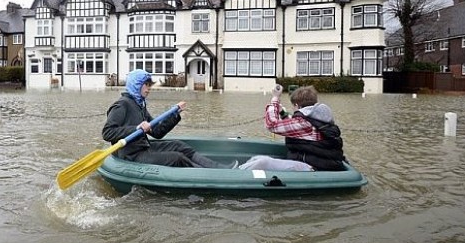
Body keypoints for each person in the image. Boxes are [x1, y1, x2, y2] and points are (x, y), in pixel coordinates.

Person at [102, 69, 237, 169]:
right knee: (176, 158)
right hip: (131, 155)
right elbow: (107, 133)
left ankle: (219, 168)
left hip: (144, 148)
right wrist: (135, 129)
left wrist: (174, 114)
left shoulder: (140, 105)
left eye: (150, 85)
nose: (149, 89)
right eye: (146, 85)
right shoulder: (122, 104)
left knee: (179, 146)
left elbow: (157, 132)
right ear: (136, 85)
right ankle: (212, 176)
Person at [239, 85, 347, 171]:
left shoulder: (305, 124)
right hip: (316, 162)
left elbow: (272, 125)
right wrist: (282, 113)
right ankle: (238, 170)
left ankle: (237, 175)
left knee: (263, 163)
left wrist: (275, 98)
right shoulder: (318, 117)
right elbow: (297, 127)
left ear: (297, 105)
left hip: (314, 167)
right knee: (257, 158)